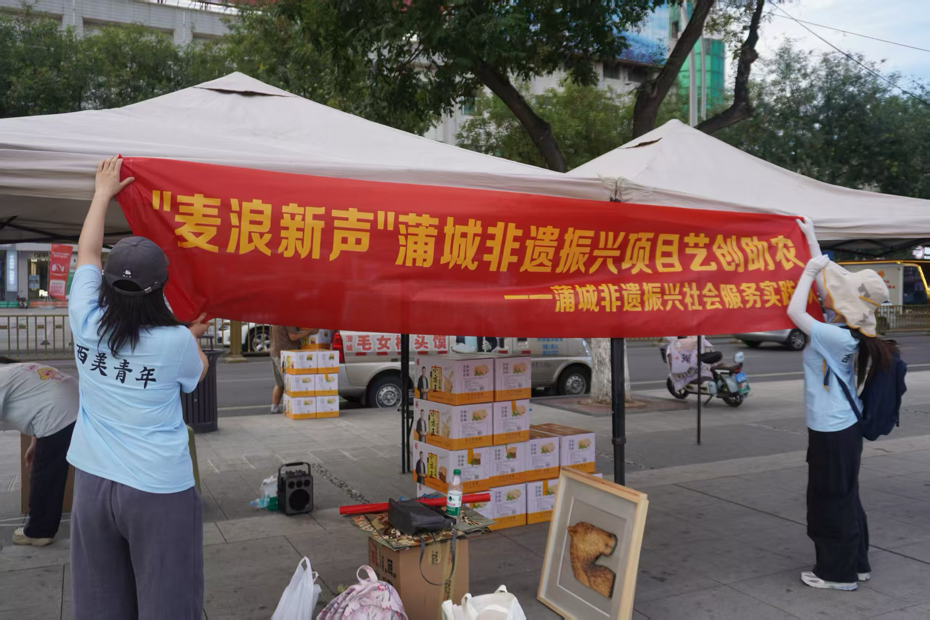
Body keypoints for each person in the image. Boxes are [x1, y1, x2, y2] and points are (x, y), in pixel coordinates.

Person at [67, 157, 211, 619]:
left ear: (107, 286)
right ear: (161, 289)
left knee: (101, 604)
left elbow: (87, 254)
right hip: (158, 488)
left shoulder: (86, 320)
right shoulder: (174, 342)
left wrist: (102, 193)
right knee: (168, 603)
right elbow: (198, 372)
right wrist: (192, 337)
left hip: (92, 483)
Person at [788, 218, 897, 591]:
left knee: (829, 499)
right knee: (845, 496)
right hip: (842, 428)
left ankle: (837, 574)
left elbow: (795, 313)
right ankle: (858, 564)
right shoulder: (852, 330)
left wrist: (807, 272)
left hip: (832, 430)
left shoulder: (837, 336)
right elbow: (828, 283)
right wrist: (811, 238)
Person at [0, 357, 79, 546]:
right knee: (49, 468)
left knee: (45, 475)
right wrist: (36, 442)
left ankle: (39, 532)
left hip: (59, 413)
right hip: (77, 405)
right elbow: (39, 396)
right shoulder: (14, 369)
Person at [269, 325, 315, 414]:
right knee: (289, 383)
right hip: (284, 355)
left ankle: (274, 408)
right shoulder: (288, 320)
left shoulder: (277, 319)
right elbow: (293, 336)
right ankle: (293, 409)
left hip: (275, 352)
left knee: (280, 383)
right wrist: (310, 331)